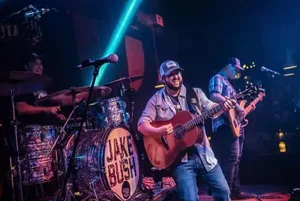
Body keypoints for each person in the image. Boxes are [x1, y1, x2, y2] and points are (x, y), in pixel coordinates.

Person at [138, 60, 237, 201]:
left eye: (177, 72)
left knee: (223, 192)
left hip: (204, 155)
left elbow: (210, 107)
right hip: (180, 161)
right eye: (170, 74)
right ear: (163, 78)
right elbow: (142, 125)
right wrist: (159, 131)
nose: (176, 76)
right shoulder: (156, 100)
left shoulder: (195, 93)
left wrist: (223, 106)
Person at [208, 57, 255, 199]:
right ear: (229, 66)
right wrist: (235, 105)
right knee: (231, 158)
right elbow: (214, 95)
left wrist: (242, 110)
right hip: (224, 125)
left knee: (236, 158)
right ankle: (225, 194)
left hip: (233, 124)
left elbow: (235, 109)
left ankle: (235, 191)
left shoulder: (228, 83)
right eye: (236, 69)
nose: (237, 73)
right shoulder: (217, 78)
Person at [15, 53, 66, 124]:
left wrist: (57, 115)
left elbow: (49, 108)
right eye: (35, 63)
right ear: (26, 67)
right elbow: (21, 108)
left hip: (49, 128)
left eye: (41, 64)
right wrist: (46, 109)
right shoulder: (23, 86)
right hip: (32, 129)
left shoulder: (45, 85)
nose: (39, 67)